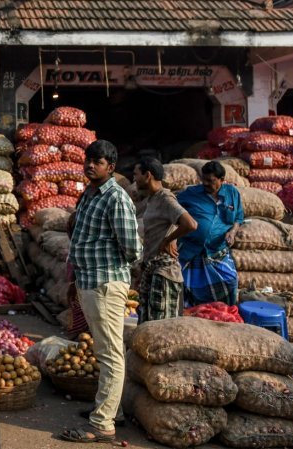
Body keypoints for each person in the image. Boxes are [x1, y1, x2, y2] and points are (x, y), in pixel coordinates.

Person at [62, 140, 141, 444]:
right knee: (107, 351)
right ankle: (111, 410)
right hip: (90, 280)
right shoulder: (90, 195)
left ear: (111, 167)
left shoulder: (116, 198)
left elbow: (132, 248)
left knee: (110, 355)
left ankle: (103, 423)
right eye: (89, 159)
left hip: (106, 281)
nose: (90, 165)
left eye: (98, 161)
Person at [133, 157, 198, 323]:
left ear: (148, 175)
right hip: (152, 269)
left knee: (159, 326)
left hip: (164, 272)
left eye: (136, 174)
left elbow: (190, 224)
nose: (134, 179)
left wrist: (167, 240)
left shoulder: (165, 198)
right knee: (146, 323)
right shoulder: (152, 199)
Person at [177, 161, 244, 307]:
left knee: (230, 281)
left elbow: (238, 218)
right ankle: (191, 317)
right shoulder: (190, 194)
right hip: (192, 251)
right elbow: (171, 206)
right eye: (204, 179)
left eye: (211, 181)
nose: (206, 183)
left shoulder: (232, 193)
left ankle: (226, 315)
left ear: (222, 180)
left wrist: (232, 232)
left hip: (217, 252)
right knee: (188, 288)